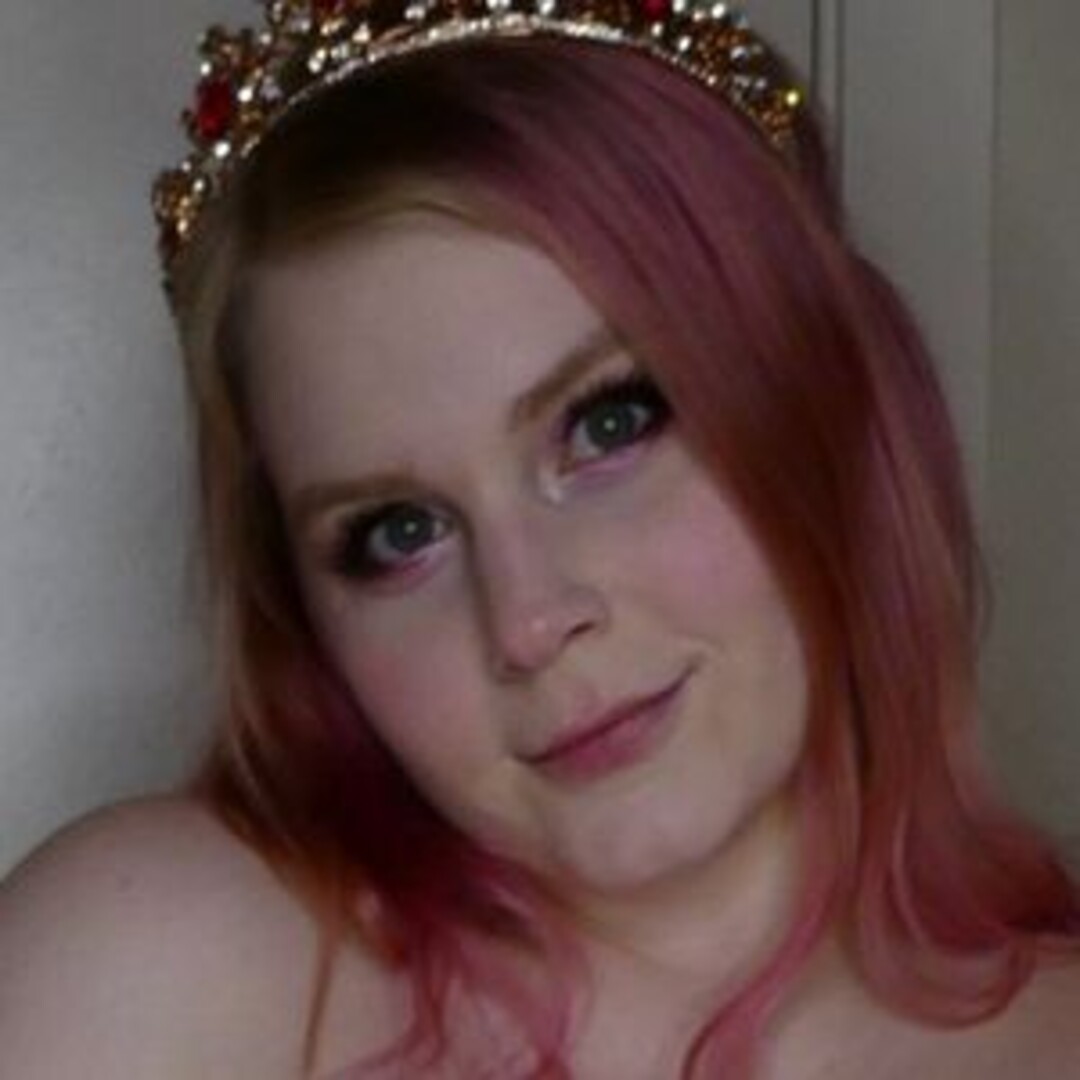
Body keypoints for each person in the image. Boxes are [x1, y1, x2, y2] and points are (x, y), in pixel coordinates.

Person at [1, 2, 1078, 1076]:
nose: (527, 622)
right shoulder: (156, 967)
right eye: (398, 533)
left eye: (610, 425)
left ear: (821, 399)